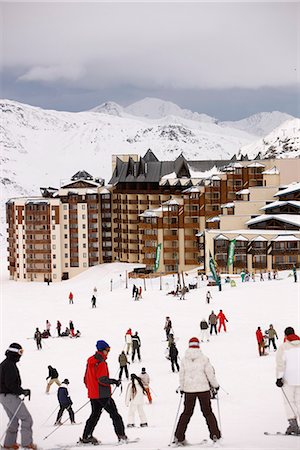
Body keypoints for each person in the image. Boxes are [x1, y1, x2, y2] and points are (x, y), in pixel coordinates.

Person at [173, 337, 221, 445]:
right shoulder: (204, 358)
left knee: (186, 413)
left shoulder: (184, 360)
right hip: (203, 390)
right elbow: (210, 374)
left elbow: (181, 375)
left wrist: (182, 387)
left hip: (189, 391)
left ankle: (178, 437)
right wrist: (215, 385)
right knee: (208, 412)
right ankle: (215, 435)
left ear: (189, 345)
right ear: (198, 345)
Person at [81, 340, 127, 444]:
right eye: (108, 350)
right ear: (103, 350)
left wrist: (91, 389)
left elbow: (85, 379)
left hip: (93, 394)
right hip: (102, 395)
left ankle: (86, 436)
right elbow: (102, 379)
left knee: (94, 415)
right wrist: (114, 381)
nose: (108, 352)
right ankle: (122, 436)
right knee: (115, 415)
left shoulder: (90, 361)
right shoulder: (101, 363)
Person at [0, 343, 37, 449]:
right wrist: (22, 391)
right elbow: (10, 384)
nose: (21, 355)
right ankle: (27, 444)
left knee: (14, 421)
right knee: (27, 419)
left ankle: (9, 444)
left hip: (4, 396)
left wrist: (20, 391)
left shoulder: (5, 364)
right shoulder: (9, 365)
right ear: (14, 353)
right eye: (20, 352)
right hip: (9, 396)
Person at [275, 326, 300, 435]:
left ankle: (293, 425)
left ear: (285, 335)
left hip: (288, 380)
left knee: (289, 401)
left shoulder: (283, 347)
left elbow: (281, 364)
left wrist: (279, 378)